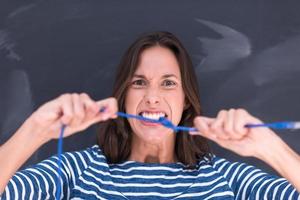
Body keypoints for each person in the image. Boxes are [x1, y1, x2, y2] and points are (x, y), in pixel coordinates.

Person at [0, 31, 299, 199]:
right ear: (123, 98)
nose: (152, 96)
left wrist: (269, 147)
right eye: (139, 82)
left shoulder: (229, 177)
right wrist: (36, 129)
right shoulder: (75, 170)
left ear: (185, 101)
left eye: (168, 83)